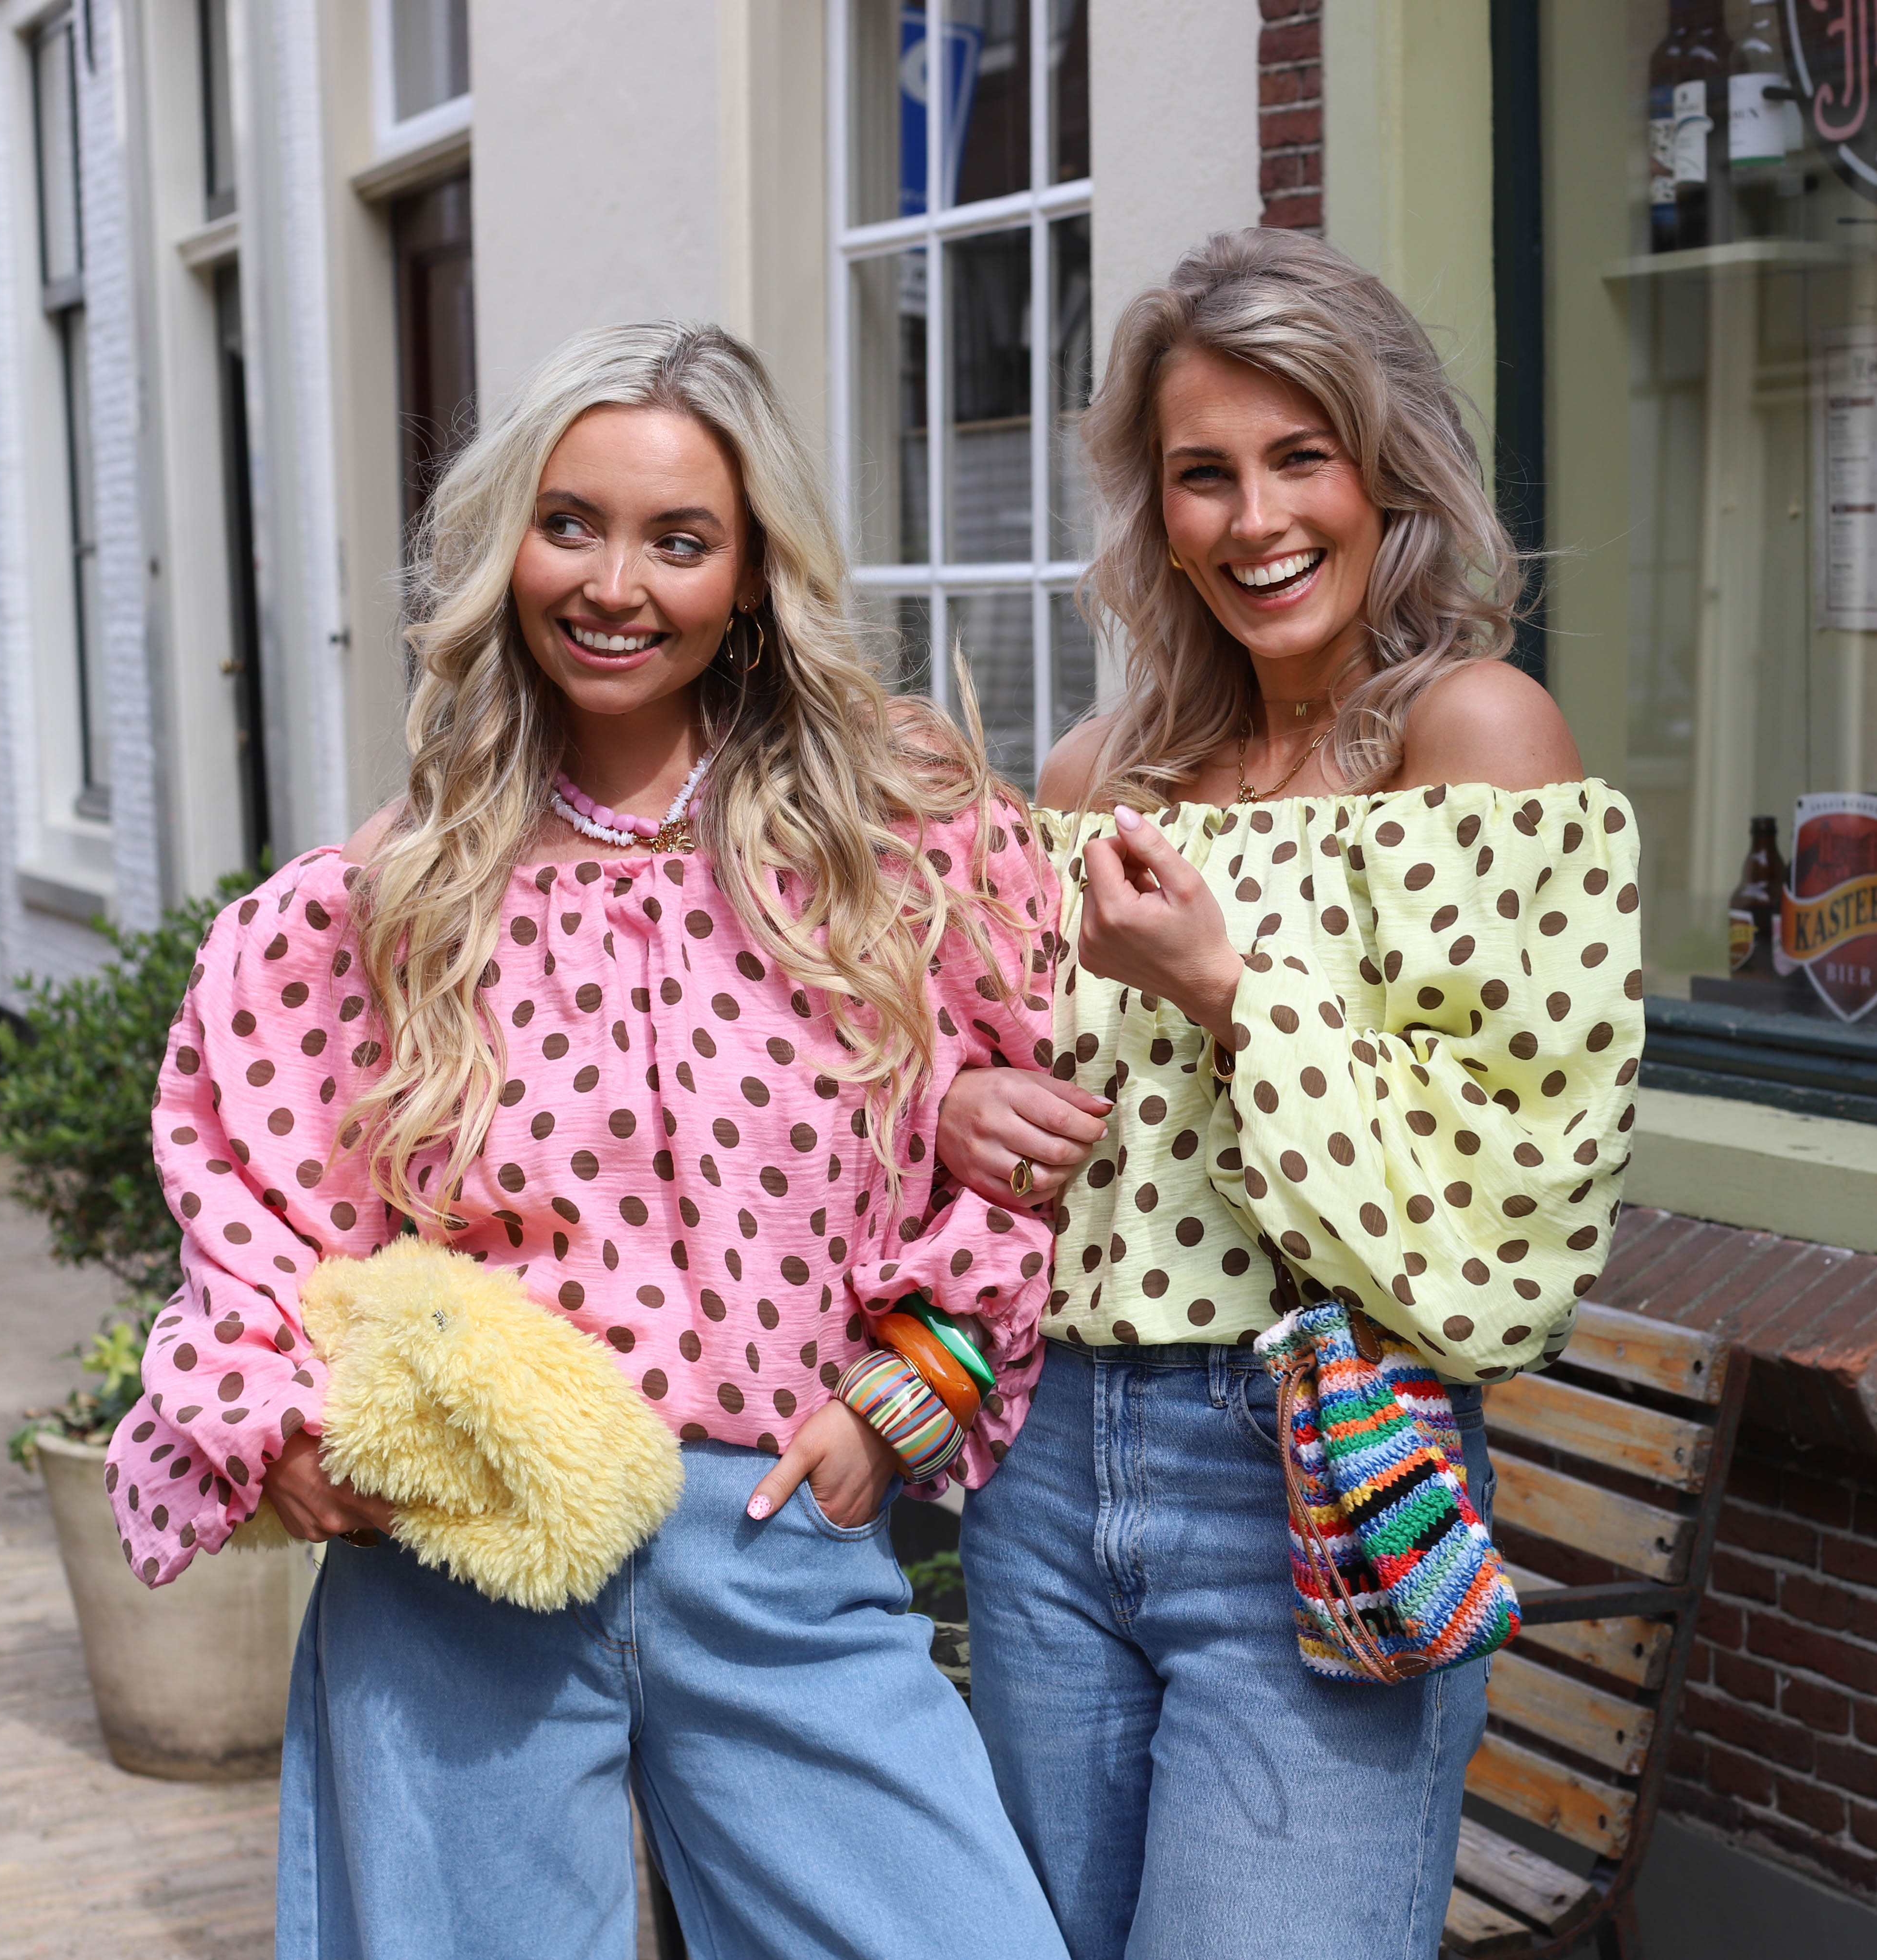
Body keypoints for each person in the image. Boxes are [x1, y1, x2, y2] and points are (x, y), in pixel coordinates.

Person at [106, 321, 1071, 1960]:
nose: (614, 585)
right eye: (571, 525)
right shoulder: (384, 903)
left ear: (752, 579)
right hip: (461, 1567)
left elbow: (1023, 1160)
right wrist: (274, 1423)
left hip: (776, 1546)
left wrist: (903, 1401)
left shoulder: (895, 857)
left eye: (679, 541)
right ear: (511, 545)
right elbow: (246, 1196)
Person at [937, 228, 1644, 1960]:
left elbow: (1501, 1233)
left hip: (1316, 1472)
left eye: (1300, 456)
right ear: (1158, 511)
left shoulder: (1478, 740)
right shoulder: (1102, 777)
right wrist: (965, 1112)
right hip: (1045, 1468)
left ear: (1385, 466)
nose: (1255, 519)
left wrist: (1229, 991)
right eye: (1205, 474)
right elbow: (1024, 1127)